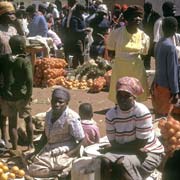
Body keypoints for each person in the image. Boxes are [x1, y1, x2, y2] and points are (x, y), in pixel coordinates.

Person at [103, 76, 164, 180]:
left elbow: (141, 144)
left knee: (121, 164)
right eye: (119, 95)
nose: (122, 99)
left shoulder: (141, 112)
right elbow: (113, 142)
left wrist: (113, 149)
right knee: (103, 161)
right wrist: (114, 148)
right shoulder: (111, 115)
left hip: (150, 153)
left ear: (134, 97)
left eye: (127, 96)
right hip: (129, 151)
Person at [28, 87, 85, 178]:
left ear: (67, 103)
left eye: (60, 102)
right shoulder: (49, 114)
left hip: (65, 150)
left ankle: (62, 172)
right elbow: (45, 134)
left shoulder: (72, 118)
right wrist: (37, 151)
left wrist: (69, 154)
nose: (56, 104)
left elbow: (82, 140)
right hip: (50, 148)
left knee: (34, 169)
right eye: (54, 101)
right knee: (33, 168)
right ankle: (59, 173)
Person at [107, 5, 150, 103]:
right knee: (120, 92)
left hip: (137, 68)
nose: (138, 19)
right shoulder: (116, 33)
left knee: (136, 95)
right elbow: (110, 52)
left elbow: (144, 54)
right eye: (135, 16)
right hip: (120, 68)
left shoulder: (144, 36)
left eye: (140, 16)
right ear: (127, 19)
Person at [0, 35, 34, 151]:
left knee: (12, 124)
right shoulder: (25, 61)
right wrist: (29, 94)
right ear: (21, 47)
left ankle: (14, 147)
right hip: (22, 96)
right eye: (24, 45)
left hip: (7, 97)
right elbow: (29, 79)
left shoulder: (4, 59)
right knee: (28, 120)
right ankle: (31, 144)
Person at [151, 17, 180, 117]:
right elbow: (172, 71)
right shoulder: (171, 47)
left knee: (159, 113)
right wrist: (175, 91)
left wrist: (154, 81)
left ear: (162, 28)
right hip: (167, 88)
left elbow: (157, 64)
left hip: (158, 84)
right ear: (175, 29)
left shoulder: (159, 43)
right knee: (165, 116)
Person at [0, 1, 20, 147]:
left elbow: (22, 42)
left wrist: (19, 26)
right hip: (1, 70)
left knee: (11, 103)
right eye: (9, 14)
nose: (12, 16)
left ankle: (11, 139)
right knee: (1, 105)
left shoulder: (14, 29)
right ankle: (3, 137)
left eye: (14, 14)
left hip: (13, 71)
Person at [142, 2, 160, 70]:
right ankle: (147, 69)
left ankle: (158, 69)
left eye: (146, 8)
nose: (145, 10)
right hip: (146, 38)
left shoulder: (156, 16)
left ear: (150, 8)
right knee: (146, 54)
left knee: (155, 55)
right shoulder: (145, 15)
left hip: (154, 38)